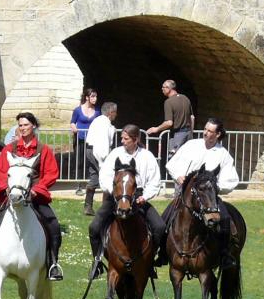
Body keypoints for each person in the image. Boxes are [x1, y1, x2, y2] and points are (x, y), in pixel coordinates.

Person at [0, 112, 63, 281]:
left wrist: (37, 189)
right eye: (20, 125)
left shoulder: (44, 150)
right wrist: (6, 187)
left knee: (54, 226)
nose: (22, 128)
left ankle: (53, 264)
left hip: (34, 195)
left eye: (26, 125)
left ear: (33, 126)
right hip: (10, 194)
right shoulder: (9, 149)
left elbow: (51, 174)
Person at [87, 124, 165, 276]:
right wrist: (114, 193)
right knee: (94, 227)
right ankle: (97, 262)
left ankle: (149, 261)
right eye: (122, 138)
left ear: (135, 140)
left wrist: (145, 197)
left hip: (137, 198)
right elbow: (104, 175)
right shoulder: (115, 154)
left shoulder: (147, 156)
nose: (122, 141)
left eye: (126, 138)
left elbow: (154, 181)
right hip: (116, 197)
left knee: (160, 227)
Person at [165, 117, 240, 263]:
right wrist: (179, 176)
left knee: (224, 221)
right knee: (164, 221)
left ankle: (225, 255)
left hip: (209, 198)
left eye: (210, 131)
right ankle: (162, 253)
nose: (205, 133)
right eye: (205, 129)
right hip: (185, 196)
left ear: (217, 134)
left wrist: (215, 187)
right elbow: (173, 164)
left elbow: (231, 178)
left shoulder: (223, 154)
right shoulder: (191, 145)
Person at [82, 100, 117, 216]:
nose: (116, 115)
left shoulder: (98, 120)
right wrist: (104, 161)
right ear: (111, 112)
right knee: (107, 178)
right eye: (115, 112)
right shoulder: (104, 123)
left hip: (90, 150)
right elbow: (103, 143)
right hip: (98, 152)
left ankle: (88, 207)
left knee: (94, 177)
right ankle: (105, 208)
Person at [146, 79, 194, 157]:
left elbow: (169, 122)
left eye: (163, 87)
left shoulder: (168, 102)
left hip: (177, 135)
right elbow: (192, 117)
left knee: (174, 160)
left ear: (169, 88)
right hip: (188, 134)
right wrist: (191, 132)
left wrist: (156, 129)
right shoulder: (185, 98)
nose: (162, 89)